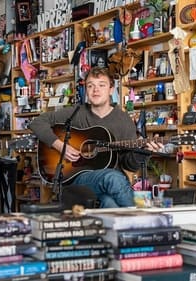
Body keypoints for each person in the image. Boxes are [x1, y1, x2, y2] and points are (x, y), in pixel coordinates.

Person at [28, 67, 163, 208]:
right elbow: (37, 122)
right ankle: (144, 221)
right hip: (77, 178)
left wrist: (144, 152)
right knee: (112, 177)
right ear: (86, 90)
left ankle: (131, 227)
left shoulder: (123, 120)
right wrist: (59, 145)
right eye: (90, 86)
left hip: (111, 185)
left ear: (111, 89)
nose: (95, 90)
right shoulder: (76, 113)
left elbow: (129, 164)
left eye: (101, 85)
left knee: (109, 202)